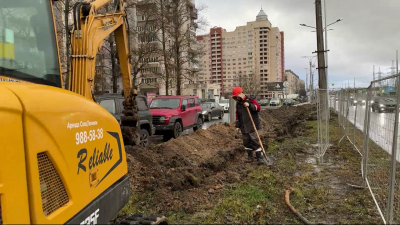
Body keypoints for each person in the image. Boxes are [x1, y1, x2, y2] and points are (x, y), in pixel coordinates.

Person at [232, 86, 269, 165]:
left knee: (255, 141)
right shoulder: (238, 104)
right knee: (246, 142)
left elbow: (258, 108)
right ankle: (249, 157)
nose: (236, 98)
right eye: (235, 97)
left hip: (252, 125)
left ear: (241, 94)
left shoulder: (250, 100)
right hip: (243, 126)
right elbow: (237, 115)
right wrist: (238, 125)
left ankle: (259, 158)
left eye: (237, 96)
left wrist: (249, 105)